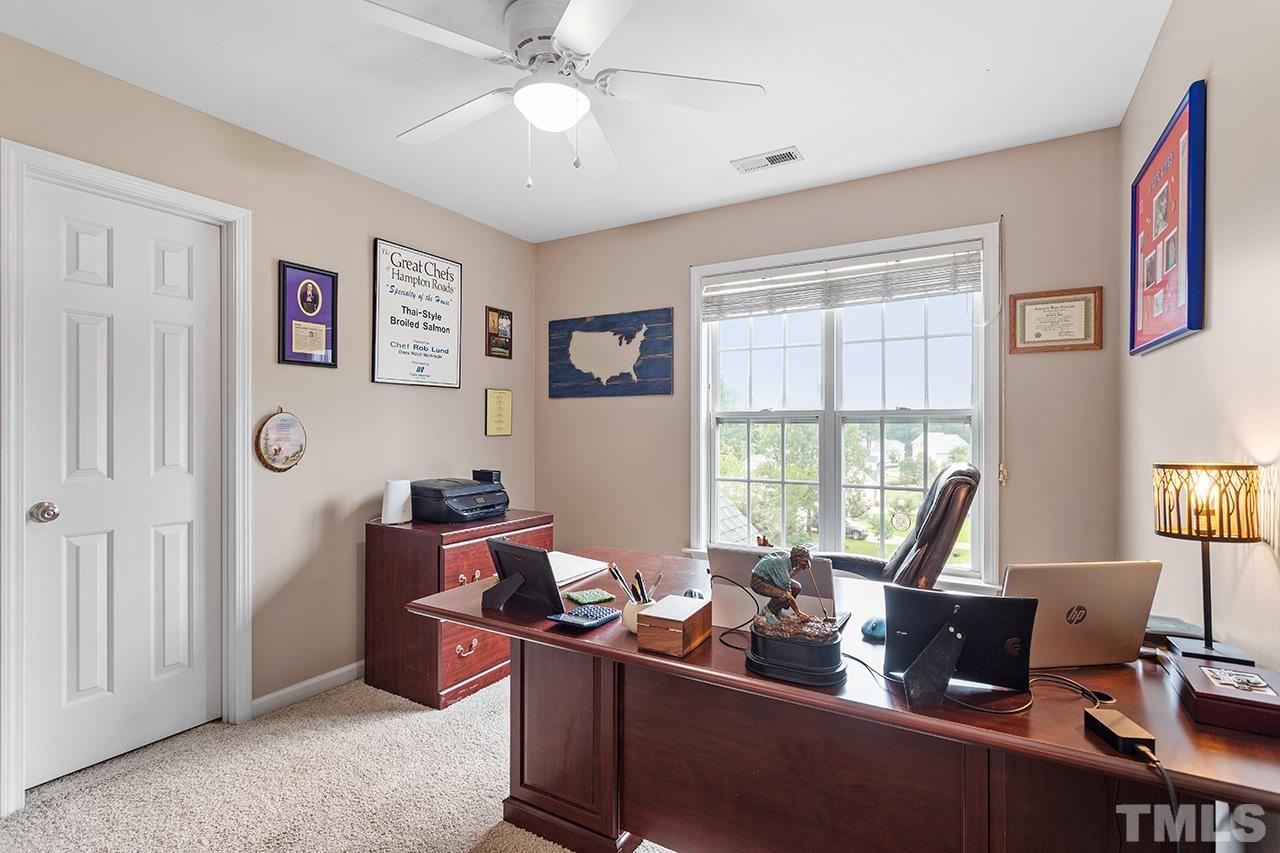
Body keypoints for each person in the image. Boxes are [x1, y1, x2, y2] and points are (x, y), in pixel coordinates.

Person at [750, 545, 814, 622]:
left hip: (771, 578)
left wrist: (799, 568)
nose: (808, 563)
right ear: (797, 560)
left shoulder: (788, 558)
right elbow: (788, 594)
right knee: (784, 595)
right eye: (805, 561)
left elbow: (787, 576)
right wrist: (799, 613)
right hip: (758, 582)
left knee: (797, 587)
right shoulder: (782, 567)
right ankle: (768, 611)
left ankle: (776, 610)